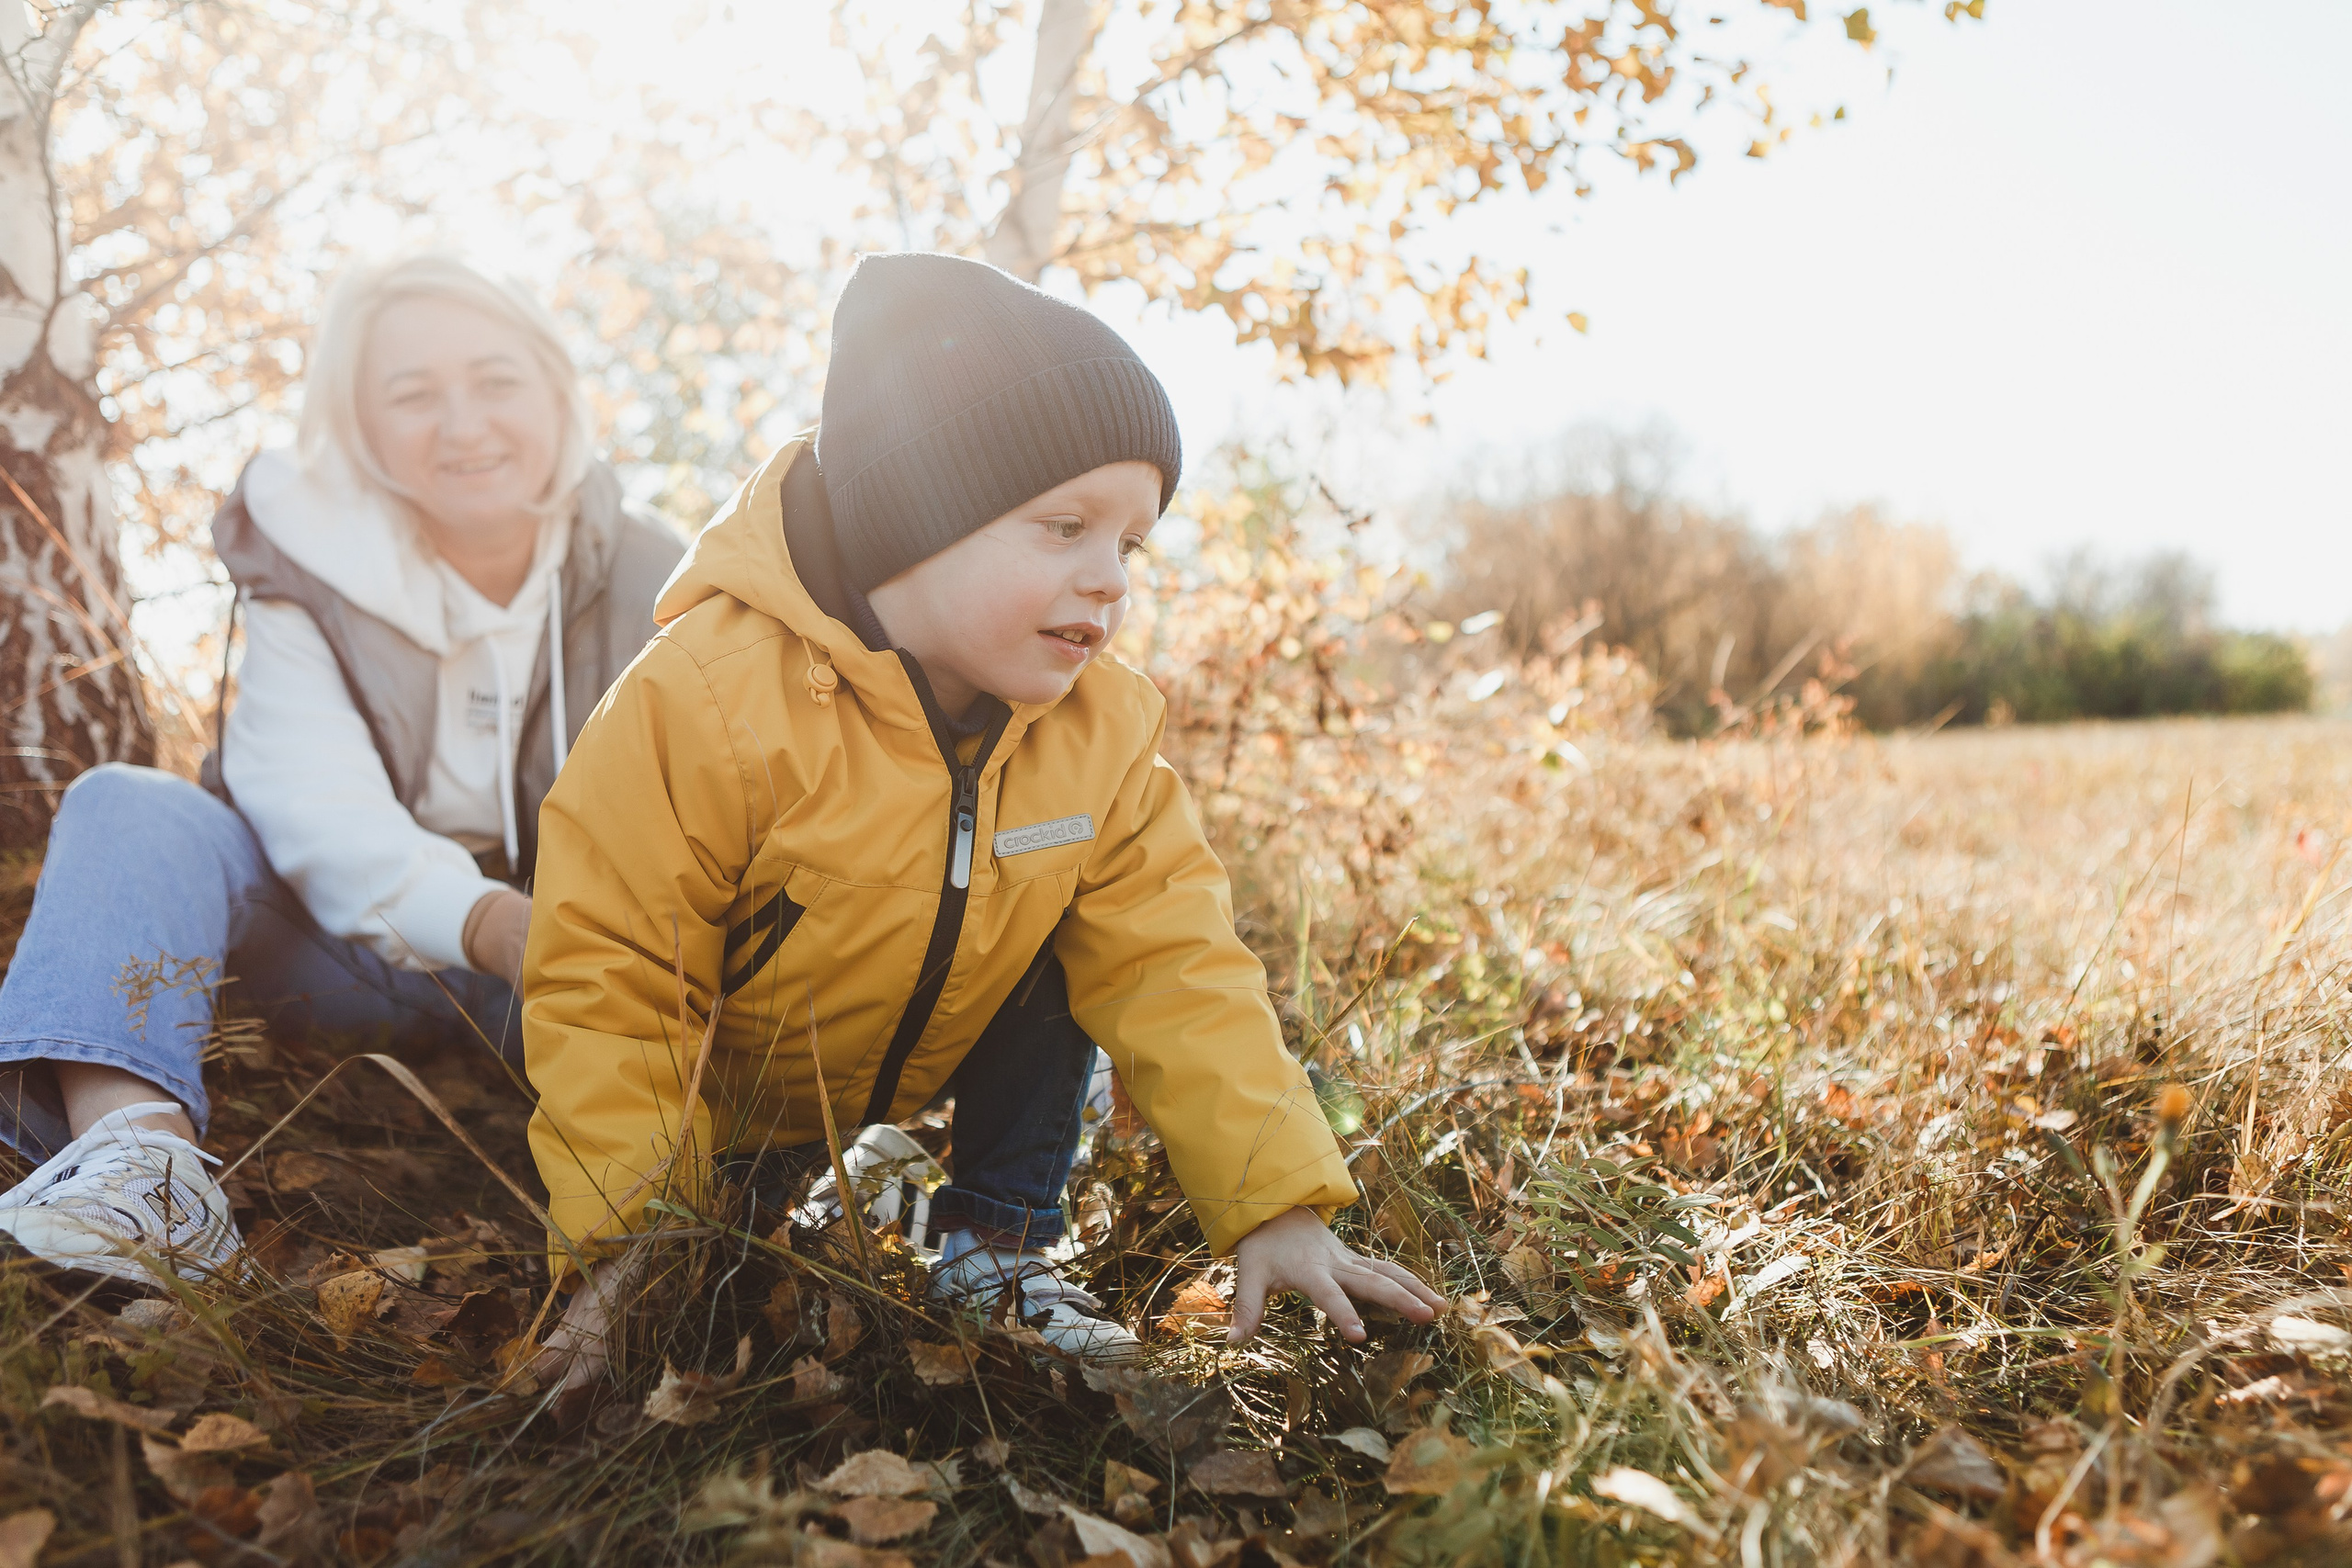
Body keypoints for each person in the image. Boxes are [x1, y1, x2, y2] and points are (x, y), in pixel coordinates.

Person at [525, 252, 1443, 1382]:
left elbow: (1176, 962)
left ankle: (996, 1247)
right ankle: (798, 1195)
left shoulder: (1098, 731)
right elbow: (612, 979)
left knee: (1077, 917)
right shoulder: (705, 699)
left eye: (1129, 543)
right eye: (1065, 527)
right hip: (731, 1105)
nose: (1110, 579)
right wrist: (630, 1242)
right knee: (723, 1262)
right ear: (917, 517)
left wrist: (1277, 1206)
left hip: (927, 1054)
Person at [0, 255, 684, 1290]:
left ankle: (804, 1178)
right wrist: (497, 922)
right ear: (360, 423)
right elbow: (314, 803)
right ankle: (140, 1174)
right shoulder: (306, 556)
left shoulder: (658, 577)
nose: (463, 425)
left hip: (563, 971)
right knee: (128, 804)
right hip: (329, 946)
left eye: (496, 380)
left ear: (557, 392)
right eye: (412, 394)